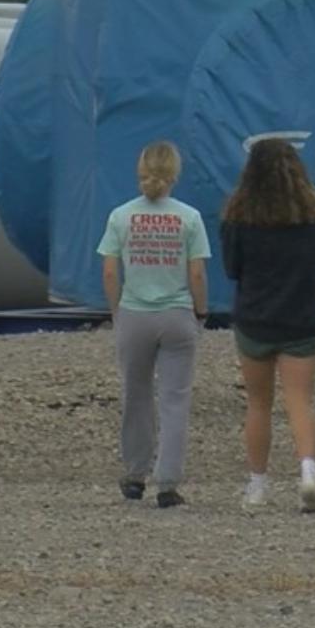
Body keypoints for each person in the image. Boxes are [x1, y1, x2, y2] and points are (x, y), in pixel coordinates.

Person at [97, 140, 210, 509]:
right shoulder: (189, 217)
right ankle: (167, 482)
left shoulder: (120, 216)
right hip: (176, 313)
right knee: (175, 399)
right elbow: (196, 272)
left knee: (136, 394)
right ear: (175, 173)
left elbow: (111, 270)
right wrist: (201, 311)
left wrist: (117, 311)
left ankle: (134, 474)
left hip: (134, 312)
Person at [221, 138, 315, 513]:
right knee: (300, 401)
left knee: (258, 403)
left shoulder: (238, 218)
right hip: (301, 317)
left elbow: (232, 269)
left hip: (255, 319)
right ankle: (308, 473)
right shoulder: (312, 218)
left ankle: (257, 485)